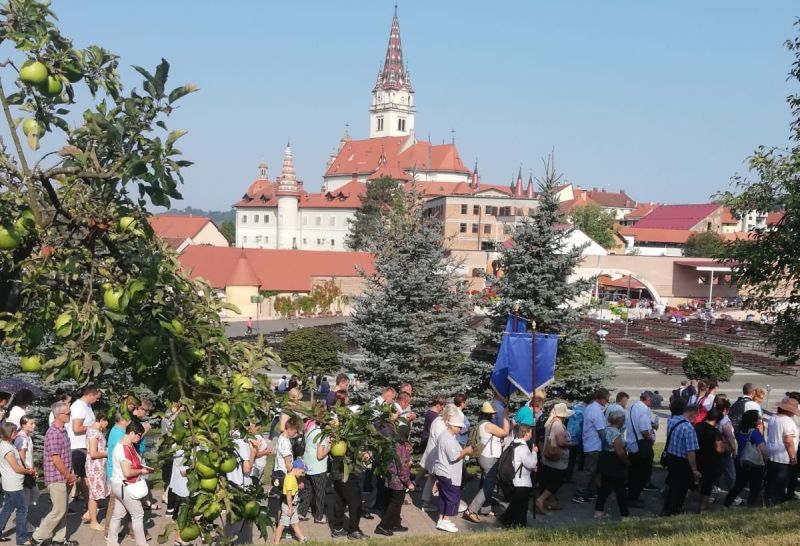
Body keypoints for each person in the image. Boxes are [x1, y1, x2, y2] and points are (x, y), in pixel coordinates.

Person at [31, 400, 77, 546]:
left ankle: (59, 539)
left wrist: (71, 474)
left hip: (64, 477)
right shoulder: (53, 433)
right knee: (58, 511)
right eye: (68, 413)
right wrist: (68, 475)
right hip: (57, 478)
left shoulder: (62, 431)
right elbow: (56, 460)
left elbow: (65, 456)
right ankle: (37, 538)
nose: (70, 415)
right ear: (59, 415)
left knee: (62, 510)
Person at [106, 421, 152, 546]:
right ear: (131, 433)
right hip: (125, 485)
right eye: (139, 435)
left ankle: (111, 542)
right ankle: (141, 544)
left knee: (118, 515)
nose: (140, 438)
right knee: (138, 514)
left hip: (119, 485)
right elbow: (127, 472)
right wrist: (141, 471)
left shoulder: (127, 445)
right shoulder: (124, 449)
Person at [329, 392, 368, 540]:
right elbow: (348, 446)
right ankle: (354, 530)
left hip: (337, 467)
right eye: (347, 400)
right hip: (346, 468)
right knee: (355, 500)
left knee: (339, 499)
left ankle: (337, 527)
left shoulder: (333, 421)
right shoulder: (340, 423)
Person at [464, 401, 510, 522]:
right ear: (490, 414)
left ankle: (485, 508)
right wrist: (506, 417)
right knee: (489, 485)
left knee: (486, 481)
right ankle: (471, 510)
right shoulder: (488, 425)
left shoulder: (481, 424)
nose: (495, 414)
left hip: (484, 457)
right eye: (493, 413)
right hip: (489, 458)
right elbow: (505, 432)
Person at [433, 410, 472, 533]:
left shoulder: (445, 435)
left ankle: (441, 519)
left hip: (443, 471)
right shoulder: (448, 439)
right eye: (459, 427)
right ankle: (446, 521)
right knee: (453, 498)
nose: (460, 430)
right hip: (448, 473)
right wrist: (466, 451)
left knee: (444, 497)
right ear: (452, 426)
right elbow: (454, 456)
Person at [662, 401, 701, 516]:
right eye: (696, 415)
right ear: (692, 413)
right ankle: (674, 511)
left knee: (673, 486)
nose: (696, 418)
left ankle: (667, 509)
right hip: (682, 462)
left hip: (671, 457)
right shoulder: (688, 428)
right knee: (680, 490)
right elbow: (690, 451)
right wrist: (694, 469)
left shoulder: (672, 421)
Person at [0, 422, 36, 545]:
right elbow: (16, 468)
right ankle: (21, 539)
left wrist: (27, 468)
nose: (16, 433)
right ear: (7, 433)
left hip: (10, 483)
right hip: (13, 485)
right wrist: (29, 471)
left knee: (7, 508)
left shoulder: (8, 445)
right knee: (22, 510)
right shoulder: (7, 448)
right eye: (13, 431)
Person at [375, 425, 414, 536]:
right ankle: (383, 526)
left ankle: (396, 524)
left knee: (396, 503)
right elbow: (402, 469)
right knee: (395, 504)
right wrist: (408, 483)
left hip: (391, 480)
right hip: (399, 483)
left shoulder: (393, 445)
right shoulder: (401, 449)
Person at [572, 388, 609, 504]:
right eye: (606, 399)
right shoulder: (596, 410)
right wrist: (608, 442)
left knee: (594, 470)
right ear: (601, 398)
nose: (607, 402)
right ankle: (580, 493)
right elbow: (601, 430)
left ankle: (591, 491)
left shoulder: (591, 407)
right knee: (589, 471)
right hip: (593, 445)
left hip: (590, 444)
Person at [723, 409, 767, 507]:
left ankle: (726, 505)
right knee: (755, 488)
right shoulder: (754, 433)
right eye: (758, 418)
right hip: (754, 464)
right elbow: (763, 450)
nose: (760, 420)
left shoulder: (740, 431)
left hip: (740, 462)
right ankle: (750, 507)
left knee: (738, 486)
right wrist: (765, 460)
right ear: (754, 421)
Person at [536, 402, 574, 515]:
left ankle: (550, 502)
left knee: (549, 479)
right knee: (557, 481)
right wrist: (570, 444)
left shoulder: (550, 422)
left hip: (548, 457)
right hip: (558, 459)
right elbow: (561, 442)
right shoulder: (558, 425)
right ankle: (541, 500)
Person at [67, 384, 102, 504]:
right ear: (90, 394)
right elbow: (76, 428)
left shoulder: (87, 406)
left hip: (85, 446)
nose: (98, 400)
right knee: (76, 477)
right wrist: (93, 427)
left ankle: (89, 504)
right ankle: (61, 504)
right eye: (97, 398)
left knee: (85, 478)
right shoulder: (79, 406)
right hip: (78, 447)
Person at [498, 423, 537, 528]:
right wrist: (534, 453)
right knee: (521, 506)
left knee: (516, 503)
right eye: (530, 432)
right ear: (526, 433)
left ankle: (505, 519)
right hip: (522, 481)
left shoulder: (513, 443)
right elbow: (531, 463)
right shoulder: (523, 448)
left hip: (513, 479)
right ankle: (519, 525)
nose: (531, 435)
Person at [419, 404, 457, 510]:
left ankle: (426, 501)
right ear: (448, 415)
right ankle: (430, 503)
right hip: (436, 455)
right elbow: (442, 441)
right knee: (435, 478)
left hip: (435, 454)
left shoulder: (440, 421)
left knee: (431, 478)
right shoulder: (440, 423)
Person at [593, 411, 630, 519]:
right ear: (620, 421)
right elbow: (619, 452)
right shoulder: (616, 434)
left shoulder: (605, 430)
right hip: (614, 462)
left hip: (605, 458)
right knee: (620, 489)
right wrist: (627, 462)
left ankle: (598, 511)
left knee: (605, 487)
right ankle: (625, 514)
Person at [764, 397, 799, 506]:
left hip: (771, 454)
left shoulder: (773, 418)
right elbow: (788, 441)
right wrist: (793, 457)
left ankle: (768, 500)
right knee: (781, 482)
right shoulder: (787, 421)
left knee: (771, 480)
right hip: (783, 457)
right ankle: (776, 502)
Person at [694, 408, 729, 512]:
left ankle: (680, 506)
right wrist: (728, 447)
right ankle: (702, 508)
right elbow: (719, 449)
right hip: (710, 462)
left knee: (692, 485)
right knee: (706, 487)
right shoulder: (715, 432)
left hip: (696, 459)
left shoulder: (697, 426)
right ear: (717, 420)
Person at [298, 414, 329, 524]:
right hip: (318, 467)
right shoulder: (322, 434)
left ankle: (301, 512)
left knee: (308, 490)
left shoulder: (310, 428)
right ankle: (319, 516)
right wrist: (329, 447)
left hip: (308, 464)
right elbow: (320, 455)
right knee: (319, 492)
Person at [104, 410, 131, 536]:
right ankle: (109, 532)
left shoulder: (116, 430)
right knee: (114, 504)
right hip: (116, 473)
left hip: (117, 472)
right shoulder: (119, 433)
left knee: (125, 503)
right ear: (123, 420)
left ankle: (132, 531)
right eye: (128, 418)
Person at [626, 391, 656, 503]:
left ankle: (632, 496)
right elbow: (644, 431)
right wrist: (651, 438)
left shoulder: (634, 406)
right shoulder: (644, 410)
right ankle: (634, 498)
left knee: (634, 473)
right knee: (641, 474)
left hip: (632, 444)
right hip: (641, 445)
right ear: (648, 400)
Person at [84, 413, 109, 531]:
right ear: (101, 420)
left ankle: (90, 513)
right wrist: (108, 453)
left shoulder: (95, 432)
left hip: (99, 467)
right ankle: (93, 521)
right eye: (106, 421)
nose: (107, 424)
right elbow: (93, 453)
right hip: (95, 468)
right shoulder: (94, 433)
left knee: (97, 493)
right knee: (94, 495)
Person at [273, 460, 307, 544]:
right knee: (282, 525)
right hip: (288, 507)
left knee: (295, 523)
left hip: (293, 506)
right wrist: (290, 508)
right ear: (296, 469)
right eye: (302, 472)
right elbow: (288, 495)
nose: (302, 474)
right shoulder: (290, 479)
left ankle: (303, 539)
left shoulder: (292, 477)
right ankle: (276, 542)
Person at [15, 416, 37, 532]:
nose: (34, 426)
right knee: (24, 501)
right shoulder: (22, 438)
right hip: (25, 473)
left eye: (34, 423)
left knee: (28, 499)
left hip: (29, 471)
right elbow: (21, 457)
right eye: (31, 424)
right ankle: (23, 526)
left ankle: (23, 522)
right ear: (23, 425)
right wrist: (28, 470)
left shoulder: (27, 437)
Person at [714, 397, 737, 491]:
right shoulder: (725, 421)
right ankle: (731, 493)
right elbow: (730, 437)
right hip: (725, 449)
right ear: (725, 409)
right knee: (731, 474)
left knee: (717, 470)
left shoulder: (715, 417)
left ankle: (713, 488)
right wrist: (734, 450)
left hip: (716, 448)